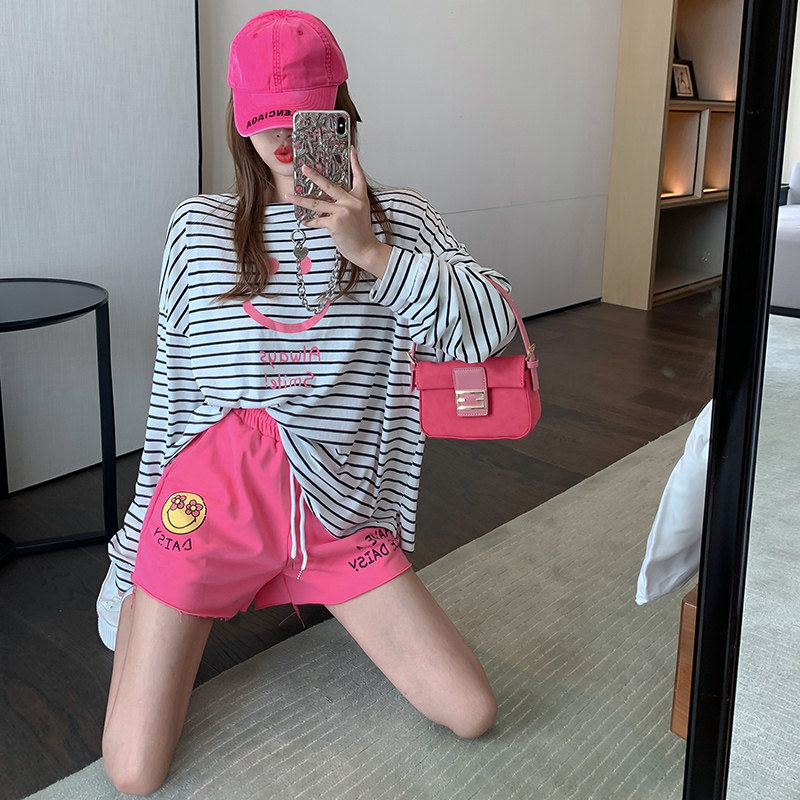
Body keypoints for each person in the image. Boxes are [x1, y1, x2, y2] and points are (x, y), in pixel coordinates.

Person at [98, 9, 517, 796]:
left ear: (340, 111)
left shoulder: (400, 220)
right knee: (133, 771)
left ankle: (266, 587)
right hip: (208, 506)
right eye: (267, 120)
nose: (287, 140)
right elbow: (174, 403)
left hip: (336, 510)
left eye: (305, 117)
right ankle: (156, 589)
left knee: (470, 711)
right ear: (239, 118)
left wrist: (373, 253)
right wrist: (130, 562)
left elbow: (493, 333)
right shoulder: (198, 230)